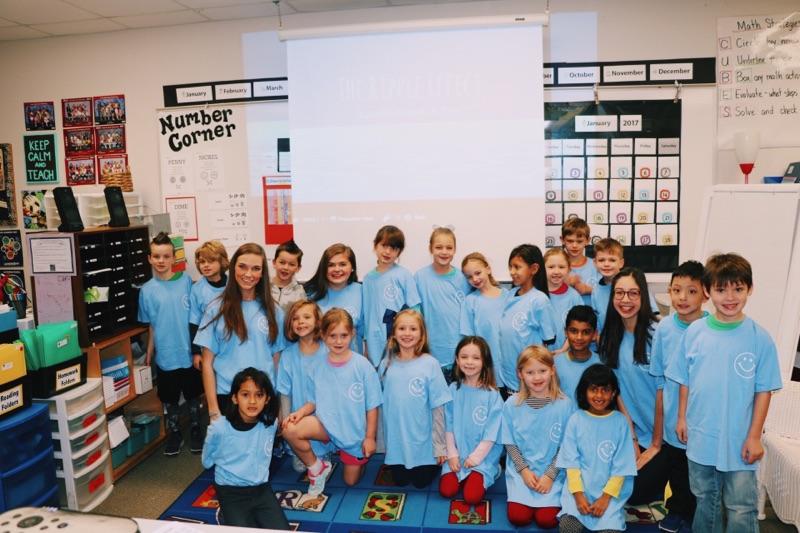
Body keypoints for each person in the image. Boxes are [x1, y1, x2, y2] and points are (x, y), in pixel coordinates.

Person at [669, 253, 782, 533]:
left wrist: (755, 437)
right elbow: (685, 380)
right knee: (705, 498)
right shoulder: (694, 332)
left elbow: (764, 391)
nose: (730, 296)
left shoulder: (760, 338)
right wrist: (682, 418)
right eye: (721, 289)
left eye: (738, 288)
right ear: (708, 291)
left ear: (749, 289)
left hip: (740, 440)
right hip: (701, 436)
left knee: (740, 505)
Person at [282, 308, 382, 496]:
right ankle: (317, 468)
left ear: (352, 335)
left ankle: (356, 460)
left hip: (353, 433)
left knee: (350, 482)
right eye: (332, 336)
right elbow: (313, 401)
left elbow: (372, 406)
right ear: (323, 335)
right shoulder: (318, 365)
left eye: (343, 335)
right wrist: (299, 413)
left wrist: (369, 437)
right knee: (289, 428)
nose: (338, 341)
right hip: (325, 425)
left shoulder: (362, 366)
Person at [598, 267, 667, 506]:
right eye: (619, 293)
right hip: (632, 431)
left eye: (633, 293)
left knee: (635, 492)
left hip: (663, 436)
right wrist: (632, 439)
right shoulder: (610, 336)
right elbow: (618, 393)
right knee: (603, 482)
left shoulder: (658, 335)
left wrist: (656, 445)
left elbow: (664, 393)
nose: (625, 300)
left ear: (643, 297)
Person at [647, 260, 706, 532]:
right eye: (677, 290)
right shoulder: (664, 328)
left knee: (700, 472)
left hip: (702, 417)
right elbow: (658, 376)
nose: (683, 298)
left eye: (692, 291)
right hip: (672, 416)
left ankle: (696, 513)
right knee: (677, 468)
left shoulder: (711, 327)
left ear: (706, 293)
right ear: (669, 291)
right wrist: (660, 426)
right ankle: (676, 510)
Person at [195, 243, 285, 422]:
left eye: (256, 268)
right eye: (242, 266)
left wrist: (280, 406)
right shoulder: (215, 309)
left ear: (262, 273)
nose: (248, 274)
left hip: (263, 396)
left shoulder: (274, 311)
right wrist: (213, 410)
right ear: (232, 266)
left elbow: (277, 361)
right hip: (228, 395)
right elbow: (207, 364)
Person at [201, 367, 290, 529]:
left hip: (261, 490)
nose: (252, 401)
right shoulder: (219, 428)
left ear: (267, 399)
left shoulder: (270, 425)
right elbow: (207, 460)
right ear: (234, 398)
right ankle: (226, 513)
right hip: (230, 492)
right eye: (245, 394)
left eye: (259, 395)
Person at [138, 232, 202, 456]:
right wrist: (149, 351)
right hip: (165, 354)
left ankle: (196, 428)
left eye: (166, 256)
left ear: (174, 258)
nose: (161, 261)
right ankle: (174, 432)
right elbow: (152, 326)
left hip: (187, 352)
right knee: (170, 398)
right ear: (150, 258)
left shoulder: (186, 282)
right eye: (156, 256)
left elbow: (196, 319)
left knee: (193, 394)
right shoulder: (146, 291)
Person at [556, 364, 637, 533]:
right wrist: (578, 496)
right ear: (584, 392)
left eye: (605, 390)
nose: (599, 395)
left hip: (609, 496)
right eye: (593, 390)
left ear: (613, 393)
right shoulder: (576, 420)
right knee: (567, 528)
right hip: (577, 492)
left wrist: (605, 499)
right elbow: (571, 463)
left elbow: (621, 468)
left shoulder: (621, 422)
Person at [502, 346, 573, 529]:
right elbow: (509, 443)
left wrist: (550, 475)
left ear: (552, 370)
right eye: (530, 372)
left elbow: (566, 447)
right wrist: (524, 471)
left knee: (547, 520)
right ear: (520, 374)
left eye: (542, 371)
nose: (537, 377)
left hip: (553, 472)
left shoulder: (565, 405)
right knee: (518, 517)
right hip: (523, 472)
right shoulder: (512, 404)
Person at [379, 309, 451, 488]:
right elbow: (381, 404)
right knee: (401, 482)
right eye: (402, 328)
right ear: (394, 333)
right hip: (397, 443)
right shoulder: (386, 364)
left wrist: (440, 446)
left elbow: (438, 408)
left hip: (423, 444)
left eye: (413, 329)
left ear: (421, 335)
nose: (407, 333)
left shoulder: (430, 364)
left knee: (421, 483)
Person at [439, 336, 503, 504]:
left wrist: (475, 459)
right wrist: (452, 455)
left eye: (476, 358)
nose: (469, 362)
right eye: (464, 357)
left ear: (485, 361)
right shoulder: (453, 389)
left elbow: (492, 434)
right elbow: (448, 425)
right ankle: (463, 472)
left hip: (483, 457)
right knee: (447, 490)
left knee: (472, 497)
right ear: (457, 360)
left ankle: (493, 470)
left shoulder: (492, 395)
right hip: (458, 453)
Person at [275, 300, 330, 472]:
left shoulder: (328, 350)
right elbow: (284, 393)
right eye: (295, 319)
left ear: (317, 321)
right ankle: (302, 452)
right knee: (299, 469)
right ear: (290, 324)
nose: (301, 322)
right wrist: (284, 420)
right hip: (297, 416)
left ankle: (322, 452)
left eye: (307, 317)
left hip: (325, 416)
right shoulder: (288, 355)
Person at [498, 244, 557, 393]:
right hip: (508, 376)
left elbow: (548, 343)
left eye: (517, 267)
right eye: (510, 267)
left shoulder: (539, 300)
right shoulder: (510, 295)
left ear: (534, 269)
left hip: (530, 381)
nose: (512, 272)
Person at [362, 225, 421, 366]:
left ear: (399, 252)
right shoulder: (368, 279)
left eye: (393, 248)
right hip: (374, 338)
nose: (387, 252)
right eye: (384, 246)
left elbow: (415, 309)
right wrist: (366, 341)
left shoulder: (403, 274)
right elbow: (367, 312)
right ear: (375, 245)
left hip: (400, 336)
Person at [415, 227, 471, 370]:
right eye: (439, 247)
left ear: (455, 249)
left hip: (459, 353)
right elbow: (415, 315)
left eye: (449, 248)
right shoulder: (419, 278)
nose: (444, 252)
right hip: (430, 351)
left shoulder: (463, 278)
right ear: (430, 248)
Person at [459, 252, 506, 387]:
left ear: (488, 269)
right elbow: (469, 339)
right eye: (469, 277)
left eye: (478, 273)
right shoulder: (470, 301)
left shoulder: (509, 297)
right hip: (486, 368)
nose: (475, 278)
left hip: (510, 367)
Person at [305, 243, 364, 351]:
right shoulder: (310, 294)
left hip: (351, 361)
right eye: (331, 265)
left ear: (352, 268)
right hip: (319, 362)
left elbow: (366, 333)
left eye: (342, 264)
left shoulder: (362, 291)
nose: (337, 269)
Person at [189, 240, 229, 369]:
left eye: (211, 261)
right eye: (202, 262)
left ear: (222, 262)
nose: (206, 265)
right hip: (208, 346)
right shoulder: (197, 289)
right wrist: (196, 352)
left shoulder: (234, 284)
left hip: (231, 343)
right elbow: (194, 323)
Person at [554, 305, 601, 403]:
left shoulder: (602, 364)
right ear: (565, 332)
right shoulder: (554, 364)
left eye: (586, 332)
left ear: (594, 334)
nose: (579, 337)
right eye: (573, 331)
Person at [544, 247, 583, 351]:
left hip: (567, 354)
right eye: (551, 267)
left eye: (561, 267)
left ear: (569, 269)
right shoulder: (537, 296)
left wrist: (563, 350)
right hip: (540, 357)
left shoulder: (574, 297)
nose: (556, 271)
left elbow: (580, 327)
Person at [590, 238, 625, 333]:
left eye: (612, 260)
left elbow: (651, 316)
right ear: (595, 263)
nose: (606, 264)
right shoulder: (596, 290)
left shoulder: (633, 284)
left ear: (621, 263)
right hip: (606, 342)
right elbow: (596, 319)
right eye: (601, 260)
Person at [561, 217, 597, 305]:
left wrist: (589, 290)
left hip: (593, 317)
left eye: (579, 241)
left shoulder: (596, 265)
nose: (574, 245)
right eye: (570, 241)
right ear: (562, 240)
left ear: (587, 241)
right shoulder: (556, 267)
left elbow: (609, 291)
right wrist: (564, 285)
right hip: (565, 317)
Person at [270, 239, 306, 312]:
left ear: (298, 268)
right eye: (282, 262)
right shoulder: (264, 287)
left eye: (291, 264)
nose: (286, 267)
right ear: (274, 263)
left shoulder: (299, 293)